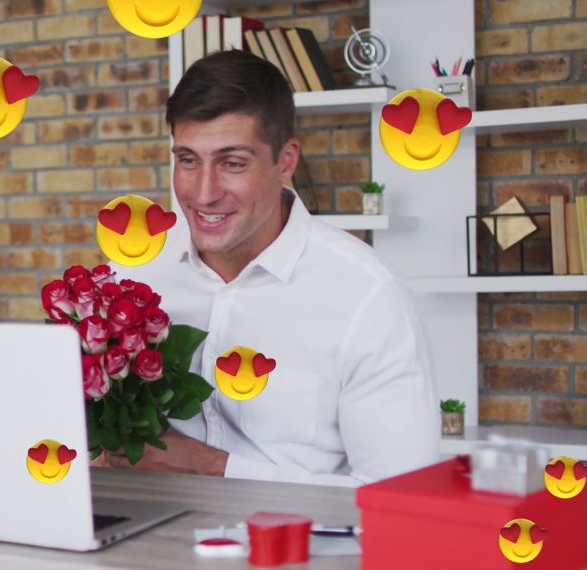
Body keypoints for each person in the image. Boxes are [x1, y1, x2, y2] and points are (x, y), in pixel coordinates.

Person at [104, 50, 440, 486]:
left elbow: (400, 497)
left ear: (286, 161)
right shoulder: (134, 271)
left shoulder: (366, 296)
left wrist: (213, 467)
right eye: (187, 159)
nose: (204, 193)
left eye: (232, 163)